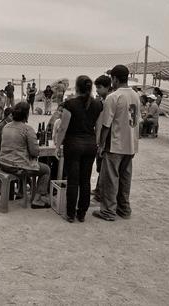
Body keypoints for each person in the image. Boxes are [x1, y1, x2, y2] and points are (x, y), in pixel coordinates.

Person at [93, 65, 140, 221]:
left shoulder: (113, 97)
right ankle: (124, 208)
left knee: (110, 178)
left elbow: (106, 124)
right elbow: (135, 120)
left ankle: (108, 211)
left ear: (114, 79)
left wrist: (101, 145)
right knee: (125, 178)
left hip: (115, 144)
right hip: (131, 144)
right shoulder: (135, 95)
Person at [55, 76, 103, 223]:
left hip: (73, 145)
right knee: (85, 181)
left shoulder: (70, 104)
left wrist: (58, 145)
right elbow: (99, 128)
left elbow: (63, 127)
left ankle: (70, 214)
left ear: (76, 87)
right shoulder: (98, 104)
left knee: (73, 181)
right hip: (90, 145)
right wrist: (98, 144)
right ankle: (81, 214)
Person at [0, 102, 51, 208]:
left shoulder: (6, 127)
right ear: (26, 115)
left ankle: (21, 192)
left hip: (3, 163)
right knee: (46, 170)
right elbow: (35, 152)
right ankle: (37, 199)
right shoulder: (28, 129)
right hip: (16, 166)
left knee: (25, 162)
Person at [91, 75, 112, 202]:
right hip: (103, 139)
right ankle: (98, 189)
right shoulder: (104, 100)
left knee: (103, 167)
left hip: (105, 140)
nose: (97, 90)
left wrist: (101, 143)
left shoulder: (108, 101)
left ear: (107, 87)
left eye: (99, 88)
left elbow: (105, 124)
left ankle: (100, 193)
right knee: (101, 167)